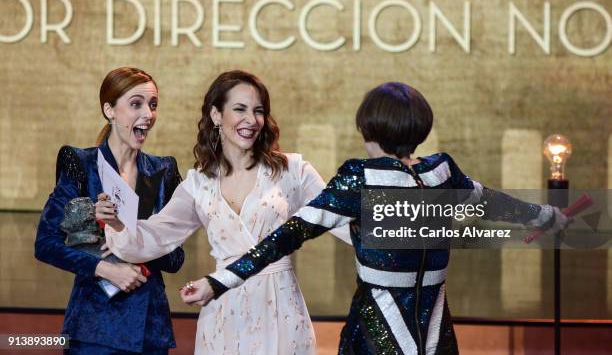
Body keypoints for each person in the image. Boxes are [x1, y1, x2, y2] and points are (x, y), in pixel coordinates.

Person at [187, 82, 570, 355]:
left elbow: (287, 236)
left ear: (368, 129)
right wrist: (546, 216)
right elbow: (492, 202)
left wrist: (217, 283)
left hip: (376, 333)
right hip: (436, 333)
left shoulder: (361, 177)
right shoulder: (442, 171)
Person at [103, 70, 351, 354]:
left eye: (258, 111)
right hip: (224, 309)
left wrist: (401, 231)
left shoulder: (292, 171)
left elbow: (343, 220)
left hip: (281, 309)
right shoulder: (198, 184)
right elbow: (156, 236)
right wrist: (118, 224)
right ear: (216, 115)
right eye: (240, 109)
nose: (251, 120)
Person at [34, 67, 184, 354]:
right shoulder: (81, 164)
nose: (148, 114)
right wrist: (105, 269)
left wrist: (129, 231)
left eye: (153, 105)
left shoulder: (163, 171)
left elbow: (176, 258)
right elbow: (46, 244)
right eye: (136, 103)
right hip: (93, 327)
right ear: (109, 109)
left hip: (149, 332)